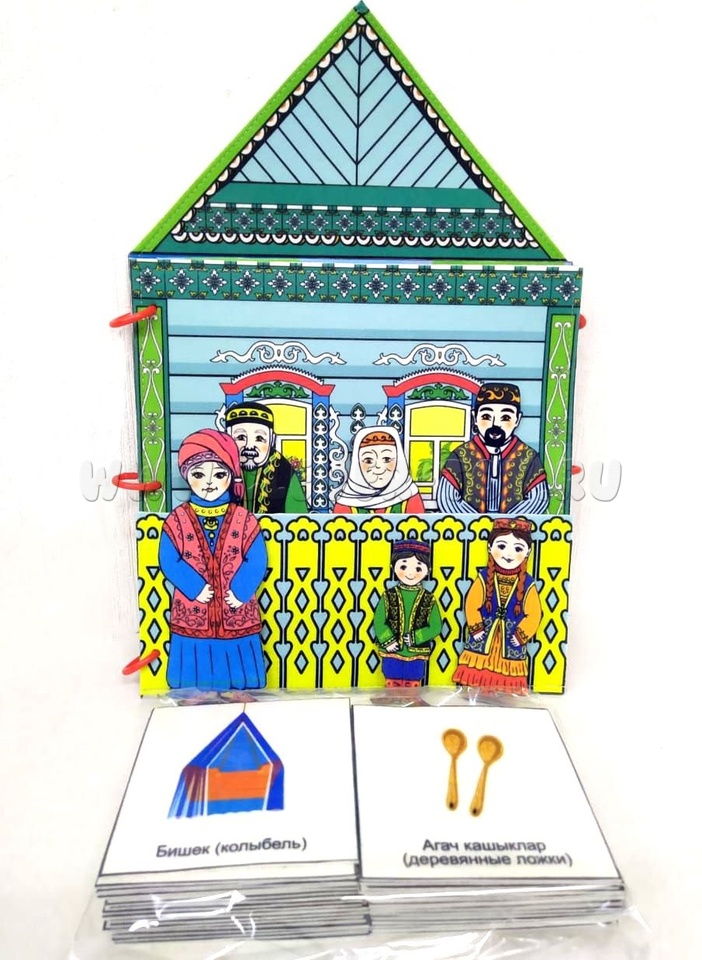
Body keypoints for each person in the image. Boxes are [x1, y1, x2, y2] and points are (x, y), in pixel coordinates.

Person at [159, 429, 267, 691]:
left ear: (231, 476)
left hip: (236, 614)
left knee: (242, 682)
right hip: (193, 615)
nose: (209, 482)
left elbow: (256, 559)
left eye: (219, 474)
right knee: (191, 684)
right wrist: (195, 588)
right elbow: (169, 559)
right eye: (198, 474)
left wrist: (240, 591)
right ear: (186, 475)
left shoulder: (245, 519)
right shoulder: (176, 519)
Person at [452, 516, 542, 692]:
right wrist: (476, 627)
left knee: (507, 675)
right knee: (478, 670)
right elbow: (472, 604)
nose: (509, 554)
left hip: (511, 640)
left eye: (518, 548)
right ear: (489, 547)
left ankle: (504, 693)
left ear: (528, 552)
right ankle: (477, 691)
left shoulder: (528, 583)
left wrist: (521, 634)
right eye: (501, 546)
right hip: (483, 636)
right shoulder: (484, 577)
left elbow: (534, 613)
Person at [436, 383, 549, 514]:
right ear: (475, 417)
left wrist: (507, 522)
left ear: (517, 420)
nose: (495, 424)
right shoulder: (460, 455)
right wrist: (477, 521)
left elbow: (538, 498)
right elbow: (447, 498)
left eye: (505, 418)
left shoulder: (528, 457)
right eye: (486, 417)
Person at [372, 538, 441, 687]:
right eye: (403, 566)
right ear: (393, 566)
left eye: (418, 569)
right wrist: (388, 640)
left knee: (413, 679)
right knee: (392, 678)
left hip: (417, 652)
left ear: (428, 570)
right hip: (391, 650)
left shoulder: (428, 598)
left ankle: (412, 700)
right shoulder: (388, 595)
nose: (410, 573)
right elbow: (379, 620)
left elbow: (436, 626)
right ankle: (391, 699)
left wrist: (416, 637)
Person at [224, 401, 308, 513]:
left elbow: (299, 517)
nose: (249, 446)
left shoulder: (284, 470)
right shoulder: (217, 465)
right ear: (227, 438)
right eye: (240, 437)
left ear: (272, 439)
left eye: (259, 438)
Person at [332, 425, 425, 513]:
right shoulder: (346, 503)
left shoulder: (409, 497)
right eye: (368, 460)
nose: (378, 467)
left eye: (387, 459)